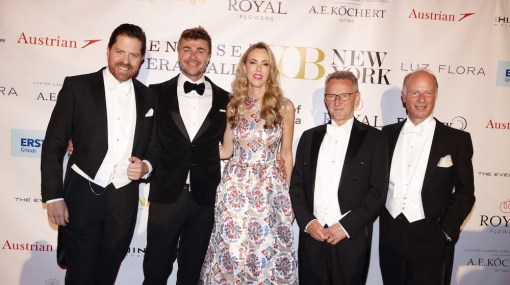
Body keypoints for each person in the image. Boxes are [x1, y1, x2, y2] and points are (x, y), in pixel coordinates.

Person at [41, 24, 157, 285]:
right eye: (119, 51)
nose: (125, 61)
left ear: (141, 59)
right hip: (82, 196)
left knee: (106, 276)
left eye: (134, 55)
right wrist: (53, 196)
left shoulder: (150, 98)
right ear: (107, 51)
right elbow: (53, 144)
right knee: (80, 275)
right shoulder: (77, 87)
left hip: (123, 200)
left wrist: (147, 165)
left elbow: (154, 146)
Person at [198, 42, 298, 284]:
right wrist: (191, 152)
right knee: (231, 255)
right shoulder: (234, 105)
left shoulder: (284, 107)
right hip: (235, 191)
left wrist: (290, 198)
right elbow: (227, 150)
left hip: (269, 193)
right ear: (244, 66)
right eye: (253, 62)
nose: (258, 69)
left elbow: (286, 154)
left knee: (267, 257)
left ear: (270, 70)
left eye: (265, 64)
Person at [142, 27, 230, 285]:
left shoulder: (227, 99)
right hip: (167, 194)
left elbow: (235, 144)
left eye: (200, 50)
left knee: (192, 273)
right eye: (187, 49)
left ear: (209, 56)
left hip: (205, 198)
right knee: (156, 269)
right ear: (178, 53)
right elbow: (134, 133)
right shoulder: (154, 93)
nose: (193, 56)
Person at [289, 70, 388, 285]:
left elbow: (377, 192)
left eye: (344, 95)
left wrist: (345, 226)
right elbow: (296, 186)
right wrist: (308, 222)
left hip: (350, 239)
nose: (337, 101)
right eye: (331, 96)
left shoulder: (375, 139)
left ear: (357, 98)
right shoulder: (308, 137)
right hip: (312, 237)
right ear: (325, 100)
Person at [379, 69, 475, 285]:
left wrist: (445, 233)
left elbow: (466, 193)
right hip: (391, 237)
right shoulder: (385, 135)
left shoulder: (456, 140)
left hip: (431, 236)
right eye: (415, 93)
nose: (421, 99)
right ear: (404, 98)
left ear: (435, 97)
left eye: (428, 93)